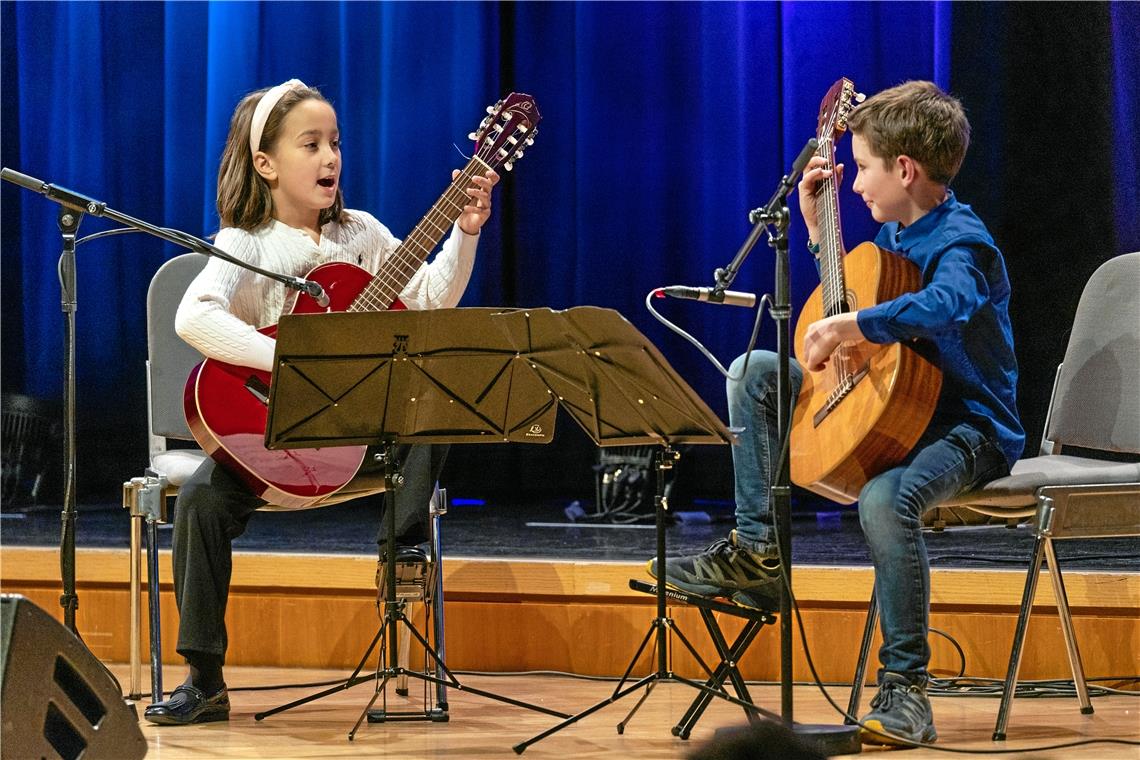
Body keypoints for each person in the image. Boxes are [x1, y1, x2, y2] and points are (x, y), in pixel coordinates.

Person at [649, 80, 1024, 746]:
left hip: (968, 430)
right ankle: (760, 553)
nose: (855, 185)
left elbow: (943, 307)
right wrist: (822, 233)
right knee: (753, 372)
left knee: (884, 498)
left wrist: (851, 325)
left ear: (904, 169)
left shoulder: (964, 242)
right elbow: (859, 303)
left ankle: (907, 692)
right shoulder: (893, 232)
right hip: (897, 416)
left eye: (865, 169)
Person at [144, 79, 499, 726]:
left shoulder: (360, 233)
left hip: (364, 440)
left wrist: (466, 233)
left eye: (335, 142)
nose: (330, 156)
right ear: (265, 163)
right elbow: (195, 319)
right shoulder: (245, 242)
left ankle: (403, 554)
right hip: (279, 442)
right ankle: (204, 679)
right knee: (200, 498)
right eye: (311, 143)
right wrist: (288, 361)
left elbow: (428, 300)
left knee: (434, 394)